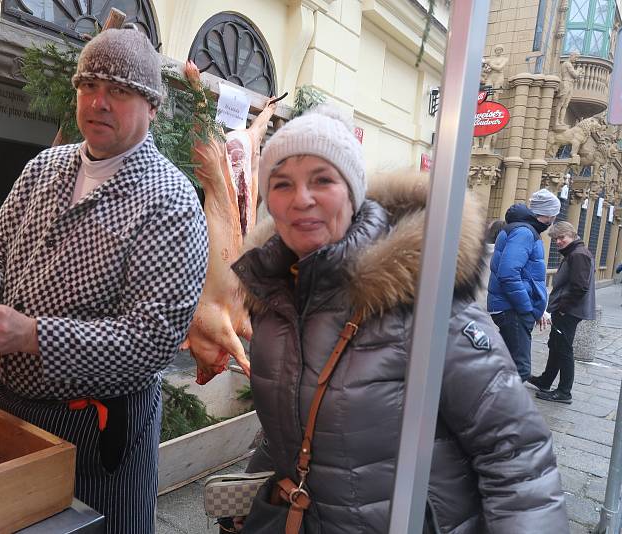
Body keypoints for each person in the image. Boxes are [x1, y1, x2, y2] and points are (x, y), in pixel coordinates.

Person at [229, 105, 567, 532]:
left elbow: (518, 457)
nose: (301, 199)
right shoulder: (273, 300)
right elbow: (295, 426)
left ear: (352, 192)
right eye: (281, 183)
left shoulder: (419, 300)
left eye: (323, 180)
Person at [0, 29, 208, 534]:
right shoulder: (46, 167)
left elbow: (150, 340)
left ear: (151, 105)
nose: (99, 102)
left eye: (119, 90)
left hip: (97, 431)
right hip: (9, 409)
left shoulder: (169, 202)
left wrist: (31, 334)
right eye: (89, 86)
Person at [487, 189, 560, 382]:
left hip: (509, 308)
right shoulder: (524, 232)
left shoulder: (522, 229)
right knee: (520, 370)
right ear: (549, 214)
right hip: (512, 309)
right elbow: (509, 274)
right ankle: (500, 409)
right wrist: (527, 308)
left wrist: (536, 310)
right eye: (554, 214)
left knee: (505, 364)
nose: (554, 218)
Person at [529, 222, 595, 404]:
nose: (558, 241)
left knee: (564, 349)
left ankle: (564, 392)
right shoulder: (574, 252)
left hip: (568, 311)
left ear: (572, 235)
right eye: (555, 238)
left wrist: (563, 309)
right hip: (566, 309)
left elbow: (579, 287)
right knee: (556, 345)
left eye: (561, 237)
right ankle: (546, 380)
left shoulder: (578, 255)